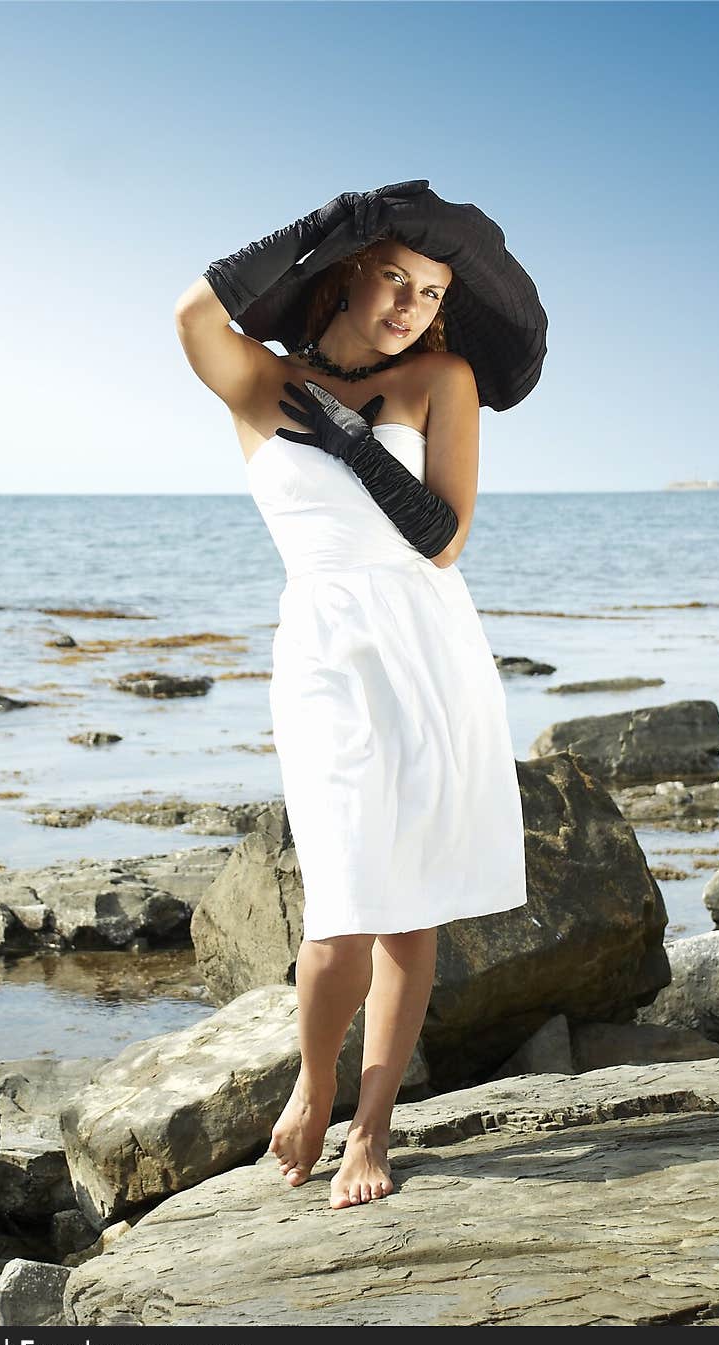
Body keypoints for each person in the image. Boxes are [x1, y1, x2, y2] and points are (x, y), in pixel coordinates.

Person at [174, 184, 545, 1209]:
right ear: (350, 272)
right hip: (326, 650)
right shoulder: (261, 382)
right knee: (340, 900)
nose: (409, 305)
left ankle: (370, 1131)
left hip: (429, 645)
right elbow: (194, 314)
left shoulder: (443, 377)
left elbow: (445, 537)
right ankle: (316, 1078)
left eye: (429, 293)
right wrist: (327, 222)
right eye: (393, 277)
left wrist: (349, 444)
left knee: (408, 911)